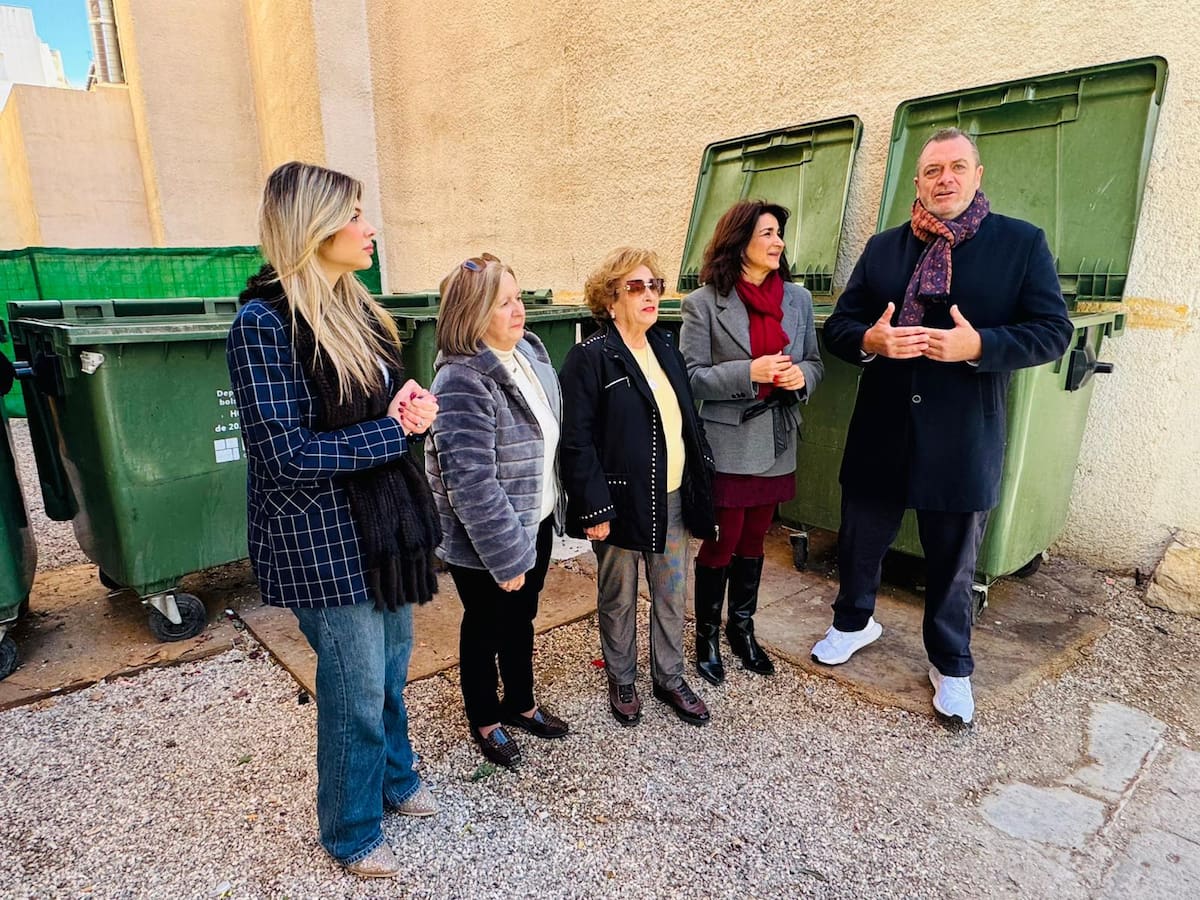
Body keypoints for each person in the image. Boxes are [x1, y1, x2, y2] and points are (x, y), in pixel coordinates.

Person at [810, 128, 1074, 725]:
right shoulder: (883, 248)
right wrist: (871, 340)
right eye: (933, 171)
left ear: (977, 175)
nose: (945, 179)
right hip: (883, 424)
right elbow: (841, 326)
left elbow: (1053, 331)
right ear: (919, 184)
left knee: (953, 557)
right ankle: (853, 621)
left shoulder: (1020, 244)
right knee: (860, 536)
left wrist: (979, 344)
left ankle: (951, 662)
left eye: (957, 167)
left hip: (962, 432)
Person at [227, 161, 442, 879]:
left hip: (385, 532)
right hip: (319, 539)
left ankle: (395, 779)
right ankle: (350, 831)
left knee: (389, 667)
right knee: (352, 690)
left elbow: (378, 401)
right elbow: (285, 454)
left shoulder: (357, 310)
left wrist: (406, 404)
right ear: (314, 228)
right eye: (354, 213)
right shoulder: (262, 325)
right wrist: (396, 432)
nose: (369, 225)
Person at [560, 248, 718, 726]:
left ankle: (669, 677)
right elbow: (576, 440)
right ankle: (622, 676)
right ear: (611, 301)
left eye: (655, 285)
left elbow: (685, 420)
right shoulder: (590, 358)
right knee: (619, 595)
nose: (649, 294)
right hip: (621, 501)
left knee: (671, 591)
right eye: (636, 287)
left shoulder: (666, 345)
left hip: (672, 500)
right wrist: (594, 507)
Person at [425, 253, 570, 768]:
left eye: (517, 296)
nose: (518, 309)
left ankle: (522, 704)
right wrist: (509, 556)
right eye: (502, 302)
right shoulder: (462, 381)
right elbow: (470, 482)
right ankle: (485, 717)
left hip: (535, 521)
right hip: (489, 539)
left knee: (522, 618)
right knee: (485, 627)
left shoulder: (527, 354)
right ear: (471, 314)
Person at [680, 200, 824, 684]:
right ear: (739, 241)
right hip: (731, 441)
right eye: (767, 233)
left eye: (779, 233)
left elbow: (815, 364)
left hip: (779, 438)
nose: (778, 241)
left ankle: (742, 629)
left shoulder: (798, 300)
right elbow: (692, 377)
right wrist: (750, 372)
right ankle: (706, 637)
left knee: (756, 539)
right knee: (721, 542)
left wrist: (797, 376)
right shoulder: (703, 303)